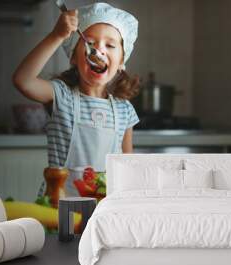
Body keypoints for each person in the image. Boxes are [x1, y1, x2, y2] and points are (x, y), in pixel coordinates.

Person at [12, 3, 140, 196]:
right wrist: (57, 35)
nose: (100, 50)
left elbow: (128, 167)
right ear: (73, 56)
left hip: (102, 208)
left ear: (122, 61)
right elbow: (23, 80)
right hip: (59, 206)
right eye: (90, 43)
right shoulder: (62, 96)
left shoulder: (125, 110)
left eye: (110, 45)